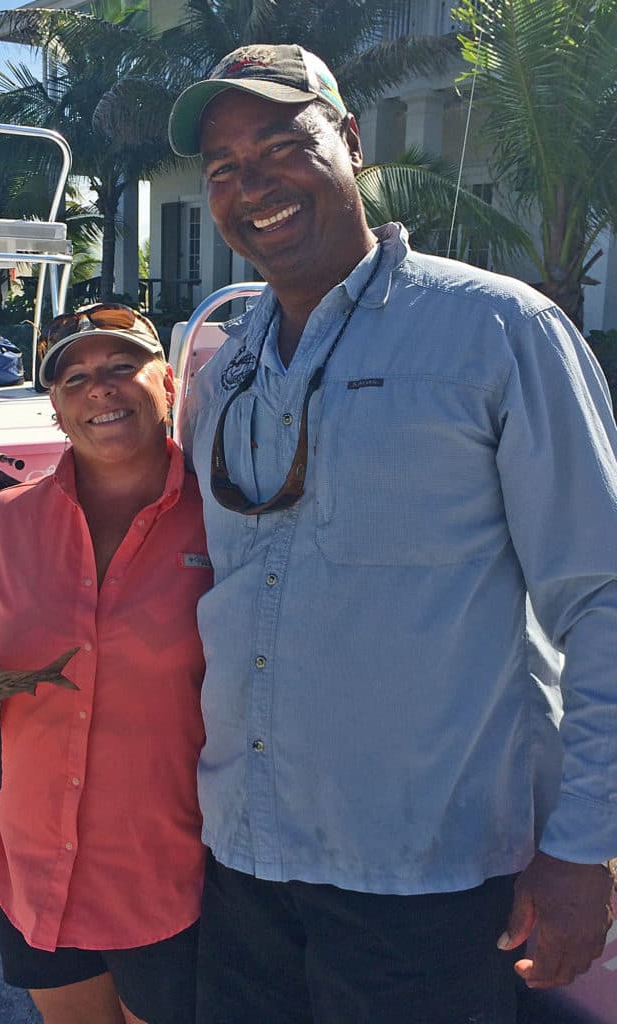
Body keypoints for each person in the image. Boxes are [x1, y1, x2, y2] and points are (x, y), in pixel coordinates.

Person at [161, 43, 617, 1023]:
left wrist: (586, 844)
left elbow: (601, 594)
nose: (253, 185)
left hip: (427, 877)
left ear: (351, 142)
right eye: (225, 169)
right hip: (246, 858)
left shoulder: (497, 333)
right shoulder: (225, 371)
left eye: (283, 145)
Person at [0, 303, 211, 1024]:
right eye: (73, 377)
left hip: (171, 877)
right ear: (54, 405)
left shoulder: (227, 521)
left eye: (119, 367)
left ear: (168, 382)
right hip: (33, 868)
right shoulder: (6, 524)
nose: (98, 390)